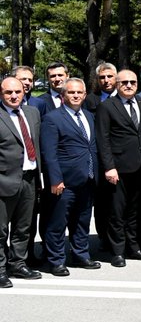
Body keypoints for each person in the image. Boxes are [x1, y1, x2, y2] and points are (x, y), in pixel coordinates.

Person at [40, 77, 99, 275]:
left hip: (87, 179)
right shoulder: (52, 118)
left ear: (84, 95)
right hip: (64, 182)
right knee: (57, 223)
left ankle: (81, 255)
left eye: (79, 92)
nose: (75, 95)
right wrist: (55, 179)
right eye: (71, 92)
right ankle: (56, 260)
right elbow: (49, 153)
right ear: (63, 95)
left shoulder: (89, 116)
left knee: (82, 221)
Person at [96, 69, 141, 264]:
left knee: (135, 211)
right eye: (124, 82)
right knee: (117, 212)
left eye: (133, 82)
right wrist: (109, 167)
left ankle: (134, 247)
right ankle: (118, 251)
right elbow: (102, 139)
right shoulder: (107, 106)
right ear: (117, 84)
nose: (129, 85)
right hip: (118, 168)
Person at [0, 76, 42, 286]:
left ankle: (18, 264)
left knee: (23, 227)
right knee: (0, 230)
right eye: (9, 92)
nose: (14, 96)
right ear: (1, 94)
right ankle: (0, 270)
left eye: (18, 91)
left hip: (29, 178)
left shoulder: (32, 113)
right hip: (4, 180)